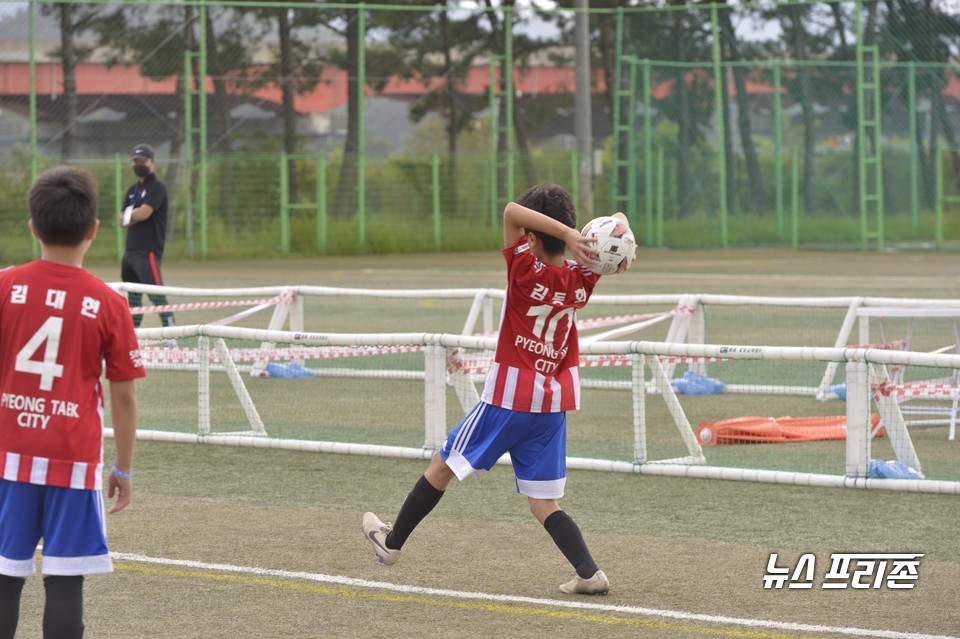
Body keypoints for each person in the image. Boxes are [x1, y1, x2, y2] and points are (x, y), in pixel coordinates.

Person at [362, 183, 634, 595]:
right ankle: (589, 573)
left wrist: (565, 234)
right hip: (551, 402)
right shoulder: (583, 277)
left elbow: (510, 211)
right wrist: (614, 244)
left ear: (529, 238)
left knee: (442, 465)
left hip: (508, 397)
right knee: (543, 502)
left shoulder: (524, 270)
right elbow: (621, 219)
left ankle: (391, 544)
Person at [0, 166, 144, 638]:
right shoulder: (109, 302)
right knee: (65, 581)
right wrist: (122, 468)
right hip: (73, 462)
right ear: (94, 230)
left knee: (4, 576)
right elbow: (123, 396)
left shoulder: (4, 286)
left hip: (8, 456)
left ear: (33, 226)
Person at [120, 143, 175, 332]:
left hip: (148, 250)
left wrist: (131, 215)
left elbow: (144, 214)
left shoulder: (157, 187)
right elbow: (121, 219)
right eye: (135, 161)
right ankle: (132, 333)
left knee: (156, 293)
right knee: (133, 297)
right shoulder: (132, 190)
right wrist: (132, 215)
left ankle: (171, 333)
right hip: (130, 251)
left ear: (152, 162)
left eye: (142, 161)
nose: (138, 164)